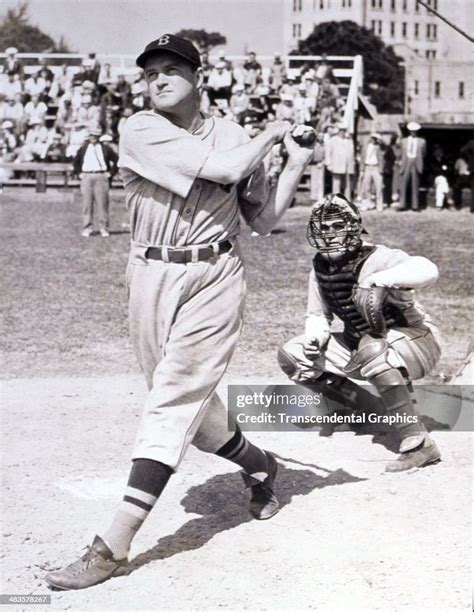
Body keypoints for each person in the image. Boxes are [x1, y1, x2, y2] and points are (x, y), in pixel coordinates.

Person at [45, 33, 313, 591]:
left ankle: (112, 546)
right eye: (151, 72)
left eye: (172, 69)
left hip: (215, 275)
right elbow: (223, 169)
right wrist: (273, 130)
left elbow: (260, 221)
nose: (159, 79)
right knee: (186, 407)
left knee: (173, 401)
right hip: (147, 273)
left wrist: (296, 162)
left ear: (199, 75)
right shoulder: (139, 128)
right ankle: (262, 464)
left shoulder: (236, 135)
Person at [278, 193, 442, 472]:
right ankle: (375, 412)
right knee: (292, 356)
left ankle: (419, 444)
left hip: (417, 342)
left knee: (374, 349)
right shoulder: (320, 267)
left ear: (353, 226)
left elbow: (428, 269)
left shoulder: (380, 257)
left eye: (336, 226)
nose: (328, 234)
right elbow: (317, 315)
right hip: (362, 345)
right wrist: (315, 339)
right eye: (323, 228)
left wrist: (379, 280)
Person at [72, 128, 118, 237]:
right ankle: (87, 227)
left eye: (95, 135)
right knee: (87, 204)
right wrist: (79, 173)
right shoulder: (83, 148)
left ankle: (104, 228)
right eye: (91, 135)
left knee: (102, 203)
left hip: (100, 175)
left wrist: (110, 173)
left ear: (98, 137)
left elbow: (117, 160)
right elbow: (76, 162)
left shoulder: (105, 148)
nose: (93, 137)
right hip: (87, 175)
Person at [398, 121, 426, 212]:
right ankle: (402, 205)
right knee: (404, 184)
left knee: (415, 184)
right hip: (406, 162)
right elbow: (401, 153)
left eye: (415, 131)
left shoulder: (422, 141)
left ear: (417, 131)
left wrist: (418, 161)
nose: (413, 132)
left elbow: (423, 153)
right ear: (409, 131)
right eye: (411, 131)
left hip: (416, 162)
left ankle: (415, 205)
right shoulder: (403, 141)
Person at [359, 132, 384, 211]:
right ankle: (367, 203)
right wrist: (361, 170)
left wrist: (381, 169)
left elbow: (381, 159)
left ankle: (379, 204)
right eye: (372, 138)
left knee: (378, 186)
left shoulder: (378, 147)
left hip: (376, 167)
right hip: (367, 167)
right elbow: (362, 159)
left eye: (375, 139)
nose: (373, 140)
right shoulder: (365, 147)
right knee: (366, 187)